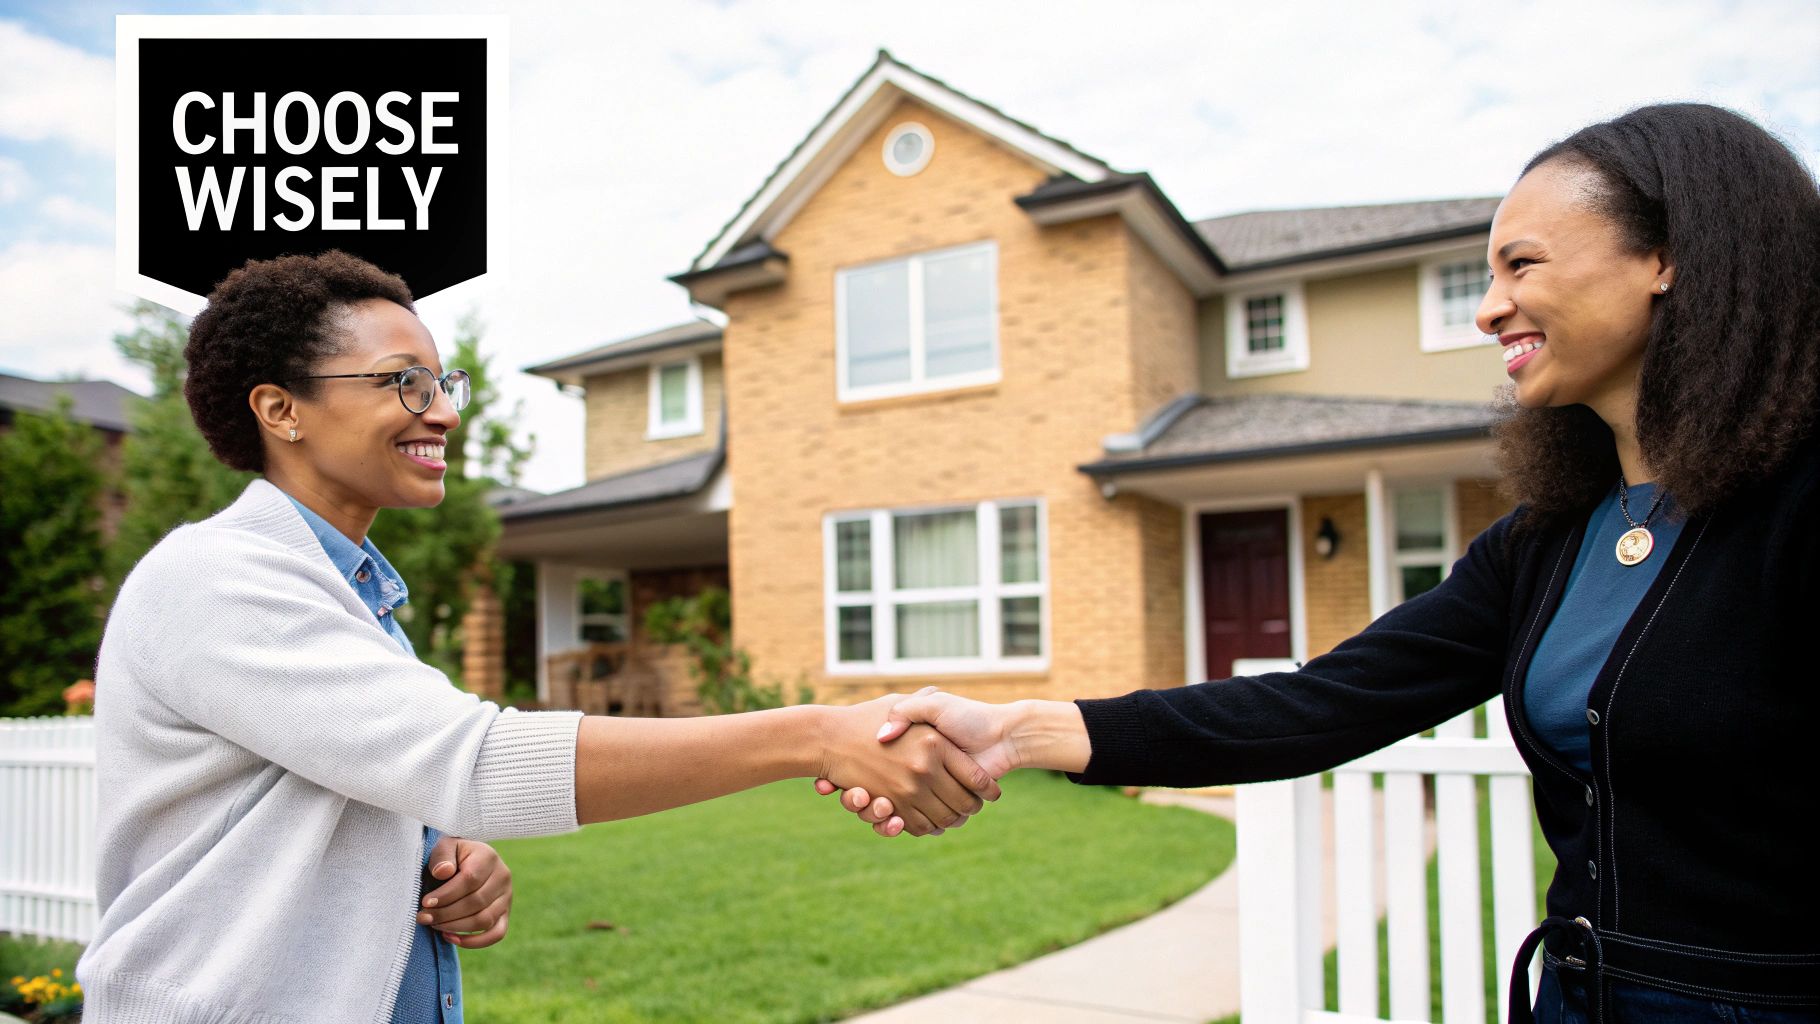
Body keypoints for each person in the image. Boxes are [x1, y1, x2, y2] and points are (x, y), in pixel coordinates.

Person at [826, 103, 1820, 1022]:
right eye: (1484, 277)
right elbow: (1317, 704)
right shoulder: (1544, 543)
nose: (1487, 309)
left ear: (1665, 258)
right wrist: (1018, 728)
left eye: (1519, 266)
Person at [78, 250, 999, 1023]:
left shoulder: (349, 596)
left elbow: (366, 788)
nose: (442, 410)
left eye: (441, 382)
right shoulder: (218, 580)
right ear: (281, 410)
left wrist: (431, 858)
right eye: (404, 382)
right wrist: (814, 736)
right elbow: (475, 761)